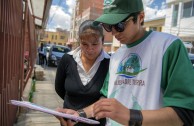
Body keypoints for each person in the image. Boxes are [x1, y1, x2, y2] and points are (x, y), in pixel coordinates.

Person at [90, 0, 194, 126]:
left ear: (140, 17)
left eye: (119, 25)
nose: (114, 33)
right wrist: (79, 114)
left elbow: (185, 113)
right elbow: (105, 98)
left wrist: (129, 116)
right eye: (108, 26)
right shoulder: (116, 56)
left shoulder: (168, 47)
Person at [55, 20, 110, 126]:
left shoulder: (110, 64)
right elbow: (59, 88)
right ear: (79, 41)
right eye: (84, 44)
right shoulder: (67, 59)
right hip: (68, 122)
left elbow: (108, 97)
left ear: (102, 40)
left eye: (95, 44)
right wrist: (72, 105)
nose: (90, 49)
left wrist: (82, 112)